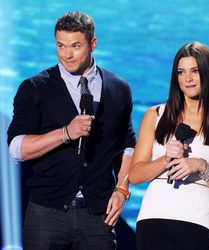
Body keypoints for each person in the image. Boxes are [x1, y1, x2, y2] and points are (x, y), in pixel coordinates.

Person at [7, 11, 135, 250]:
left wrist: (122, 189)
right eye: (60, 45)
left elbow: (127, 145)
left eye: (75, 46)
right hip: (46, 214)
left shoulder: (118, 88)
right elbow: (16, 149)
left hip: (98, 216)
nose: (67, 54)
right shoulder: (35, 87)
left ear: (93, 44)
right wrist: (65, 132)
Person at [129, 42, 209, 250]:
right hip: (154, 217)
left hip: (197, 222)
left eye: (195, 71)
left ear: (207, 74)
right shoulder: (154, 116)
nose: (187, 79)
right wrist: (164, 160)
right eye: (181, 72)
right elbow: (135, 175)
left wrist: (201, 166)